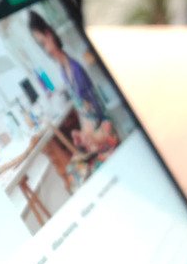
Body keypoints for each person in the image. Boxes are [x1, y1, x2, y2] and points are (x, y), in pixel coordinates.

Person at [28, 10, 119, 156]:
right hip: (98, 135)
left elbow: (98, 112)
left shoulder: (76, 68)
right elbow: (84, 111)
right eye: (41, 46)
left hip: (108, 132)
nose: (44, 50)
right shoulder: (64, 71)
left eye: (43, 43)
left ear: (49, 35)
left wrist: (89, 136)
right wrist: (83, 134)